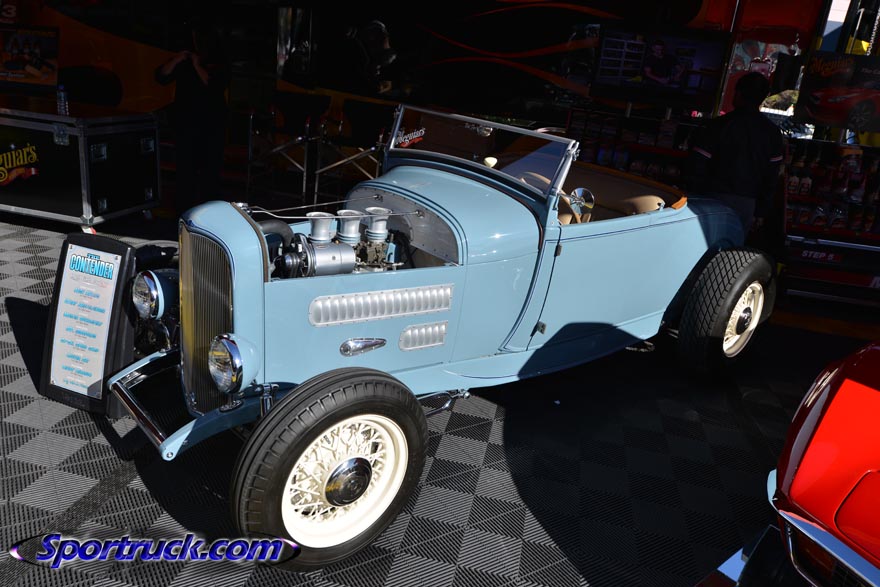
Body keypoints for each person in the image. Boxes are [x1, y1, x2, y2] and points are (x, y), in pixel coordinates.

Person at [686, 72, 784, 235]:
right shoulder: (772, 133)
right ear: (763, 98)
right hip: (747, 204)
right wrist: (760, 211)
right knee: (733, 247)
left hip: (711, 198)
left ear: (738, 93)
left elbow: (697, 165)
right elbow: (771, 177)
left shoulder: (718, 126)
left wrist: (693, 196)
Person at [155, 23, 229, 216]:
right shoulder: (185, 61)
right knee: (185, 170)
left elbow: (213, 86)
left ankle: (209, 211)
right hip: (186, 124)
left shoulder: (219, 61)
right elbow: (162, 76)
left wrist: (197, 65)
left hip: (211, 125)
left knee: (209, 171)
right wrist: (177, 59)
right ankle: (183, 210)